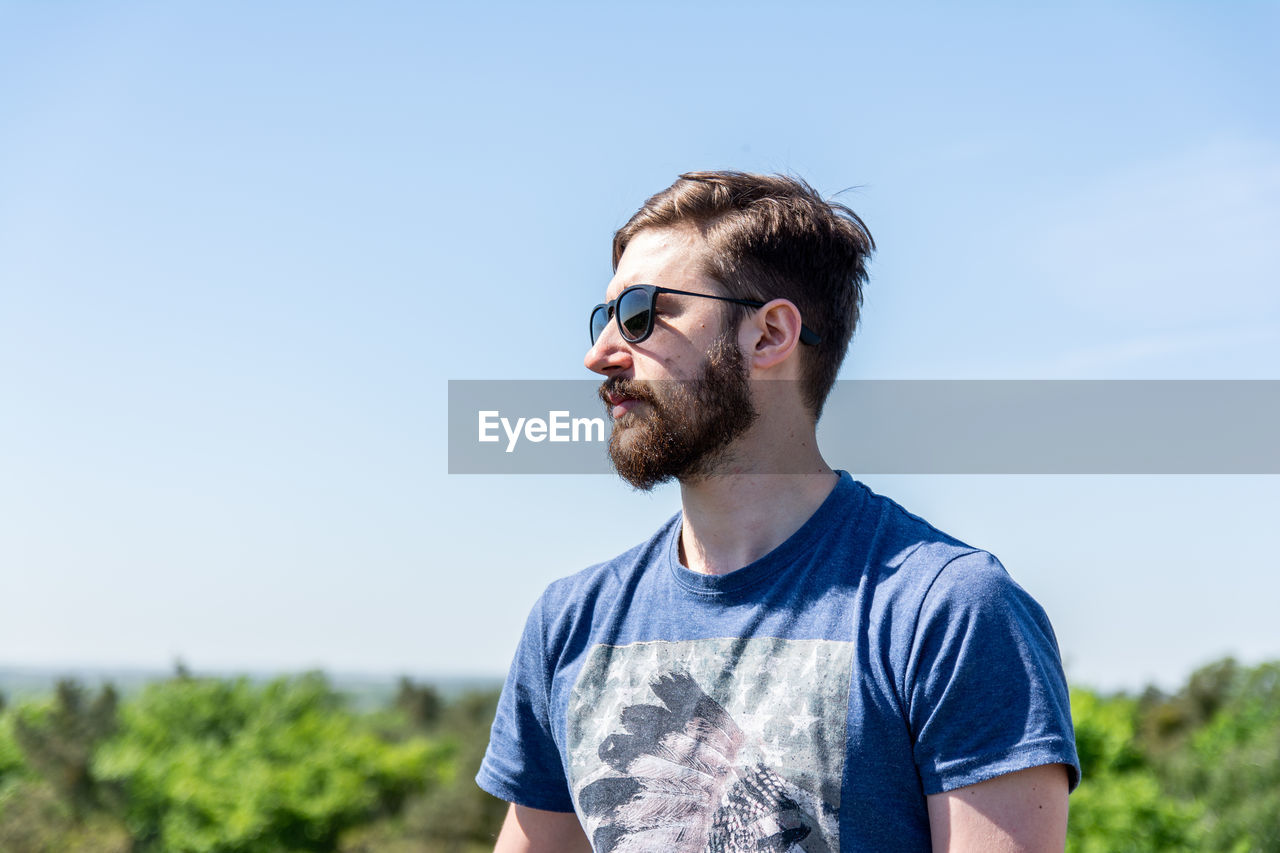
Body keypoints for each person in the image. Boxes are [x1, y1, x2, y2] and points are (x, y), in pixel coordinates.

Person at [476, 171, 1079, 852]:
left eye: (642, 315)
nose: (600, 355)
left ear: (768, 336)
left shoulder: (947, 612)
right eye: (604, 317)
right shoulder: (570, 624)